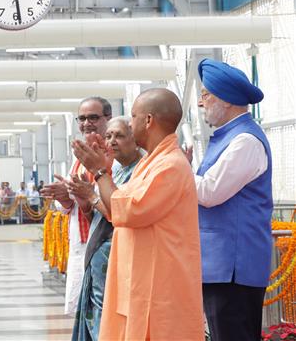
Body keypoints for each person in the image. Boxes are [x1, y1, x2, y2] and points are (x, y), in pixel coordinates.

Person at [72, 88, 204, 340]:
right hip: (139, 280)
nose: (131, 124)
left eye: (133, 117)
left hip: (160, 286)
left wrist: (100, 173)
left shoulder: (170, 166)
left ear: (149, 121)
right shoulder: (151, 163)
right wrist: (103, 172)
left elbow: (127, 210)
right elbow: (117, 207)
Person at [187, 59, 272, 341]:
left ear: (226, 100)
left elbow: (210, 193)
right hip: (222, 266)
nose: (201, 103)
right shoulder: (230, 138)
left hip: (234, 268)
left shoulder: (245, 141)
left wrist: (177, 170)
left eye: (205, 95)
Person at [68, 117, 141, 341]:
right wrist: (85, 199)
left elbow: (120, 213)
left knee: (111, 326)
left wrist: (92, 191)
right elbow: (98, 213)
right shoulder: (116, 171)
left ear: (135, 138)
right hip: (98, 259)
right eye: (109, 136)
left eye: (119, 135)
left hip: (120, 262)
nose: (112, 141)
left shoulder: (141, 171)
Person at [41, 96, 112, 315]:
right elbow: (71, 205)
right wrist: (64, 197)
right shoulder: (79, 155)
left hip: (104, 242)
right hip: (81, 242)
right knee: (84, 313)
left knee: (103, 310)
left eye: (93, 117)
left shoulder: (113, 152)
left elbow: (114, 199)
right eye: (81, 118)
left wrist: (84, 196)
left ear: (107, 118)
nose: (86, 123)